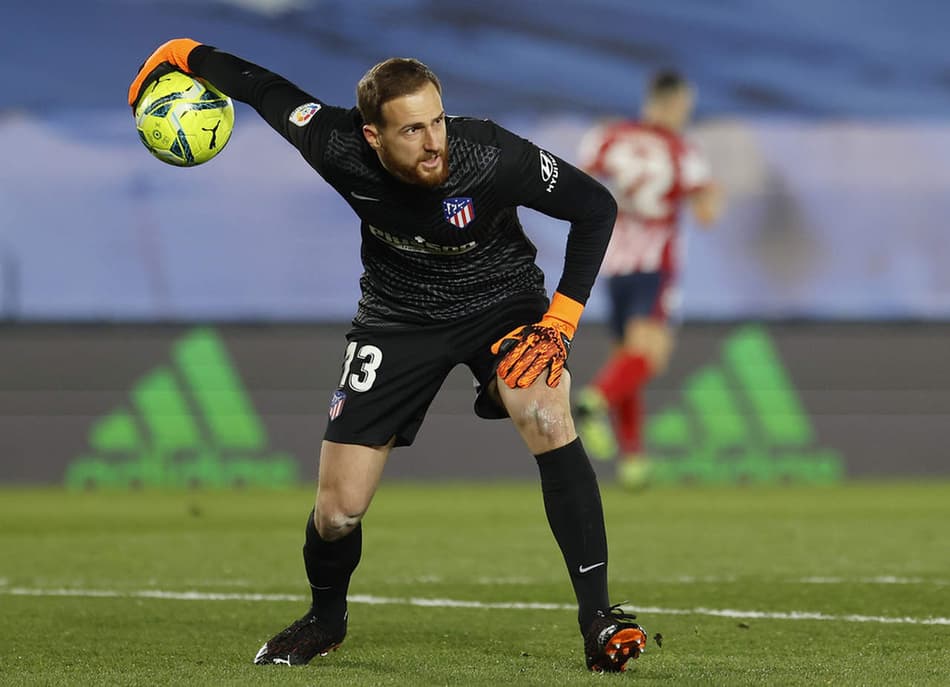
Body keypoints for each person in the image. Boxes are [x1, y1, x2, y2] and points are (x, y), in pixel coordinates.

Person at [128, 39, 648, 672]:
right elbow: (261, 86)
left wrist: (560, 321)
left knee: (546, 408)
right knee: (339, 510)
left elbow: (596, 206)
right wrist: (179, 54)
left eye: (437, 122)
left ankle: (598, 619)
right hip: (398, 319)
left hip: (501, 303)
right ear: (372, 137)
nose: (434, 142)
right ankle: (325, 618)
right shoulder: (333, 144)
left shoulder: (489, 153)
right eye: (412, 130)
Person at [575, 70, 723, 489]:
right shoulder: (680, 151)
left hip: (613, 265)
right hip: (654, 265)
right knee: (651, 356)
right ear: (675, 103)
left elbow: (580, 179)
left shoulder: (610, 137)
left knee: (627, 355)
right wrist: (716, 195)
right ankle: (595, 400)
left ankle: (634, 459)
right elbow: (708, 213)